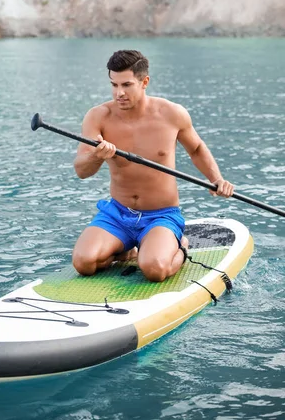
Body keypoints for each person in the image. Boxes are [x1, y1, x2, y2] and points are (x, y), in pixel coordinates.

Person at [72, 50, 234, 282]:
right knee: (84, 263)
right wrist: (97, 156)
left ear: (144, 81)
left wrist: (216, 179)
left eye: (126, 85)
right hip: (117, 214)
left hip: (161, 215)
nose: (119, 93)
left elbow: (196, 148)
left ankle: (181, 246)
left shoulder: (172, 114)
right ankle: (126, 249)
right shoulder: (98, 116)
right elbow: (81, 171)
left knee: (154, 269)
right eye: (114, 84)